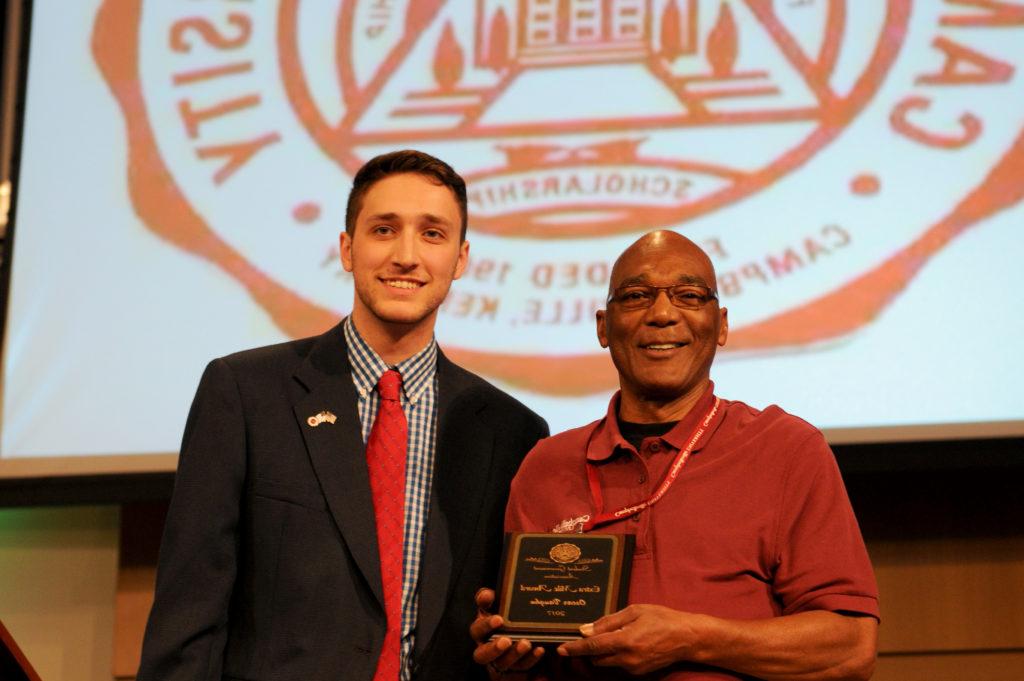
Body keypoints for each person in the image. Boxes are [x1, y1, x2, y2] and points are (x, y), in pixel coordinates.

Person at [138, 150, 548, 681]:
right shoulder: (244, 394)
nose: (406, 255)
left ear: (461, 258)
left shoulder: (512, 431)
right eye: (383, 230)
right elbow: (188, 612)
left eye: (432, 234)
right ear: (347, 249)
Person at [471, 231, 879, 681]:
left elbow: (849, 648)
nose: (662, 314)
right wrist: (508, 654)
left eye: (688, 295)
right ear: (603, 327)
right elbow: (525, 654)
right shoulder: (546, 465)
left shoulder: (786, 448)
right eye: (636, 296)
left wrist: (691, 638)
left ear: (720, 324)